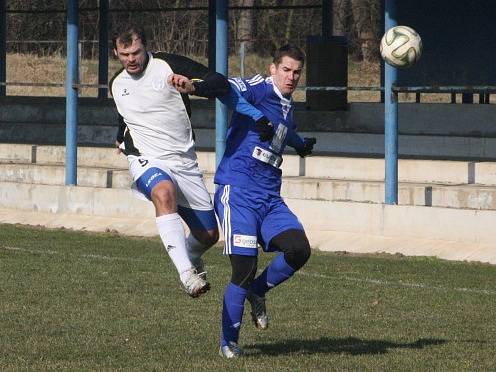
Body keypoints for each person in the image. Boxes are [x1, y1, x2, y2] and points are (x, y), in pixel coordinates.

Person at [109, 23, 228, 298]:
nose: (131, 60)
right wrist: (120, 137)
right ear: (116, 52)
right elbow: (125, 114)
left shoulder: (168, 65)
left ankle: (190, 258)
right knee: (163, 192)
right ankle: (187, 275)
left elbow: (219, 82)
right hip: (146, 158)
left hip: (184, 161)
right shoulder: (118, 83)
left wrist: (193, 86)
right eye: (124, 54)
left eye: (136, 52)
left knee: (209, 234)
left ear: (146, 47)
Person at [214, 44, 317, 357]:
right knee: (244, 268)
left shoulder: (288, 104)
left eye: (297, 72)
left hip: (270, 197)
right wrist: (254, 115)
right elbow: (227, 89)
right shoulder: (259, 88)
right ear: (273, 68)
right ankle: (228, 342)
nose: (291, 76)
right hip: (239, 191)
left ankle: (258, 292)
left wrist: (300, 145)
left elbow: (283, 131)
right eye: (286, 69)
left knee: (299, 250)